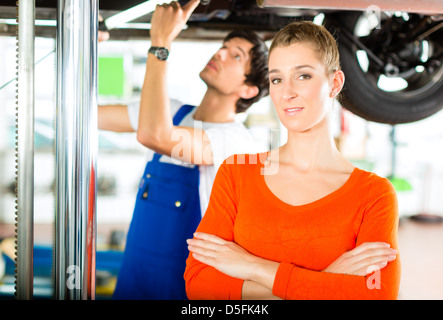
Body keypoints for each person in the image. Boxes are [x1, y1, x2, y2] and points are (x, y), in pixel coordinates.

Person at [184, 21, 401, 300]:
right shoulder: (237, 173)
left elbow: (376, 296)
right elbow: (199, 285)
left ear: (334, 83)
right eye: (277, 79)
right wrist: (325, 283)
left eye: (303, 76)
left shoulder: (373, 195)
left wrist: (254, 267)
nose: (287, 92)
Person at [98, 0, 270, 299]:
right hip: (133, 276)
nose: (220, 53)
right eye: (223, 46)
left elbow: (155, 135)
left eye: (236, 56)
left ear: (248, 90)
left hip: (182, 286)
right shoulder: (173, 113)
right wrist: (88, 48)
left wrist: (161, 43)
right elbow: (87, 115)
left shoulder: (235, 143)